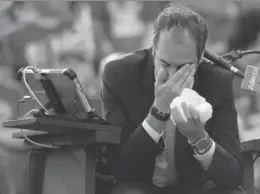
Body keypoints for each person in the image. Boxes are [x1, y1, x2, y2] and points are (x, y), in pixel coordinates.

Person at [101, 4, 245, 194]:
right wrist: (158, 113)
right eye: (164, 64)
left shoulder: (217, 81)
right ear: (153, 50)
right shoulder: (120, 74)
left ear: (200, 58)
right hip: (138, 185)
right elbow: (120, 168)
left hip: (193, 188)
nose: (171, 76)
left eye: (183, 68)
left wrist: (200, 139)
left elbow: (232, 177)